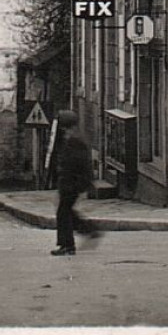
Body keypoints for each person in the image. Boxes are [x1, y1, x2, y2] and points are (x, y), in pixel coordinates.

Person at [51, 109, 99, 257]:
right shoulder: (71, 138)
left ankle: (68, 245)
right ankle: (88, 231)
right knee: (66, 211)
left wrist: (80, 183)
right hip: (68, 181)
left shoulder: (75, 141)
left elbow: (80, 164)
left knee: (63, 212)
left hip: (72, 183)